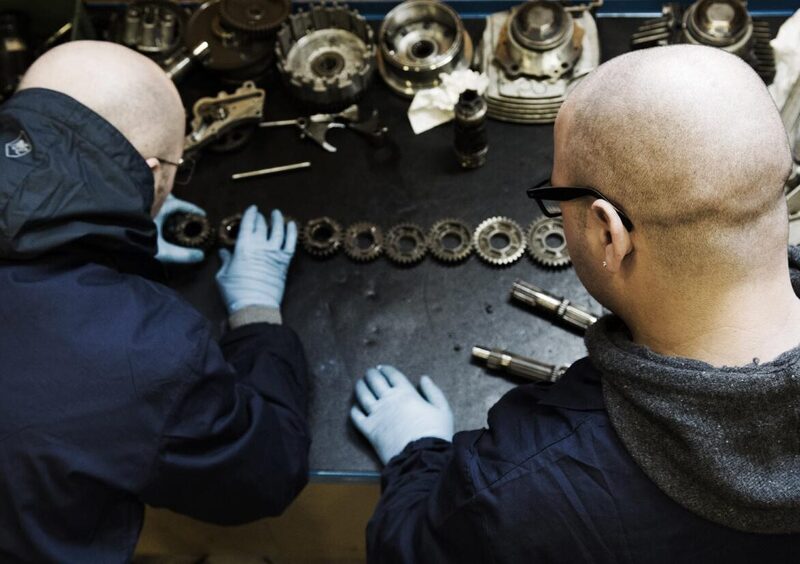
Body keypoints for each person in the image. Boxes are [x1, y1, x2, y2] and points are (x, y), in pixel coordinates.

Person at [350, 45, 800, 562]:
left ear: (609, 234)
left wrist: (418, 456)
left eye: (556, 196)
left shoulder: (517, 490)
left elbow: (404, 549)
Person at [0, 41, 309, 562]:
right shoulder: (149, 355)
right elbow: (266, 473)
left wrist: (107, 234)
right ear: (150, 172)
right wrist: (257, 317)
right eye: (175, 168)